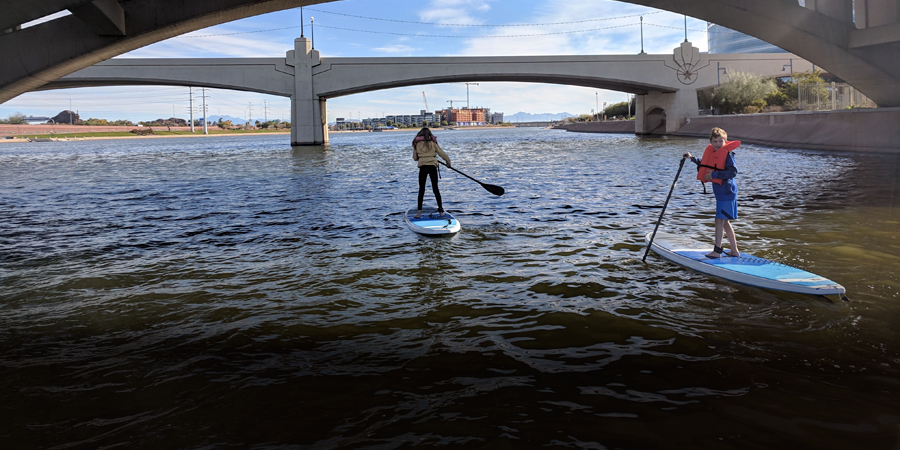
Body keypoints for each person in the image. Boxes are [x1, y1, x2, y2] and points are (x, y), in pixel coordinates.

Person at [683, 127, 741, 258]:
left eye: (721, 141)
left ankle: (717, 251)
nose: (718, 144)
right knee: (725, 222)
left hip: (727, 192)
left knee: (719, 221)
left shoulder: (727, 155)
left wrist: (715, 174)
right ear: (711, 142)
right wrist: (692, 158)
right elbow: (705, 164)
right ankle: (734, 250)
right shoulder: (713, 153)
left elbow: (733, 172)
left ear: (725, 142)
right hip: (722, 193)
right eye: (715, 141)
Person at [412, 127, 451, 218]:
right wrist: (448, 162)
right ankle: (441, 211)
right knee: (435, 189)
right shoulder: (433, 143)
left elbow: (415, 158)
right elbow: (442, 153)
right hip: (432, 167)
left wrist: (422, 156)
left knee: (422, 189)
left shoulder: (417, 144)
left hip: (423, 167)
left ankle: (418, 213)